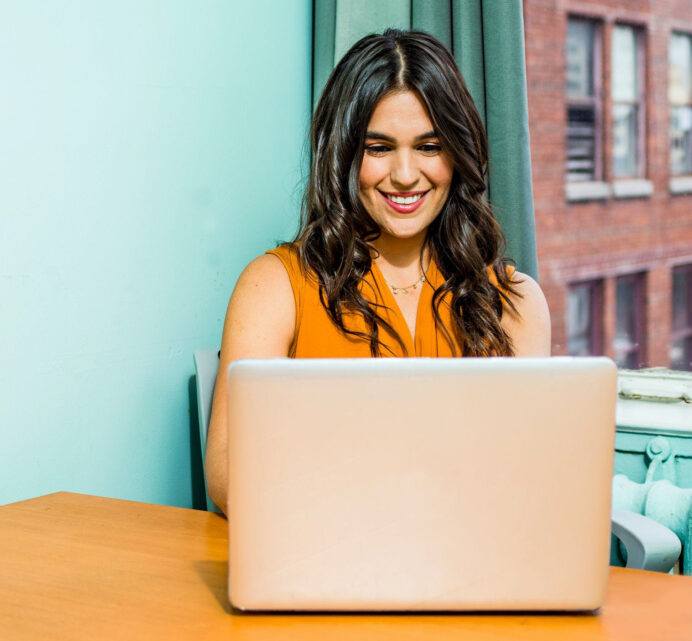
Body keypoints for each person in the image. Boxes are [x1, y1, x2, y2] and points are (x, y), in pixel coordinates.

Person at [204, 29, 551, 515]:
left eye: (429, 146)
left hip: (470, 569)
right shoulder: (273, 287)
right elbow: (228, 479)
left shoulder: (515, 300)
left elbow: (528, 480)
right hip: (324, 559)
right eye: (378, 147)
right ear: (344, 154)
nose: (406, 175)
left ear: (457, 153)